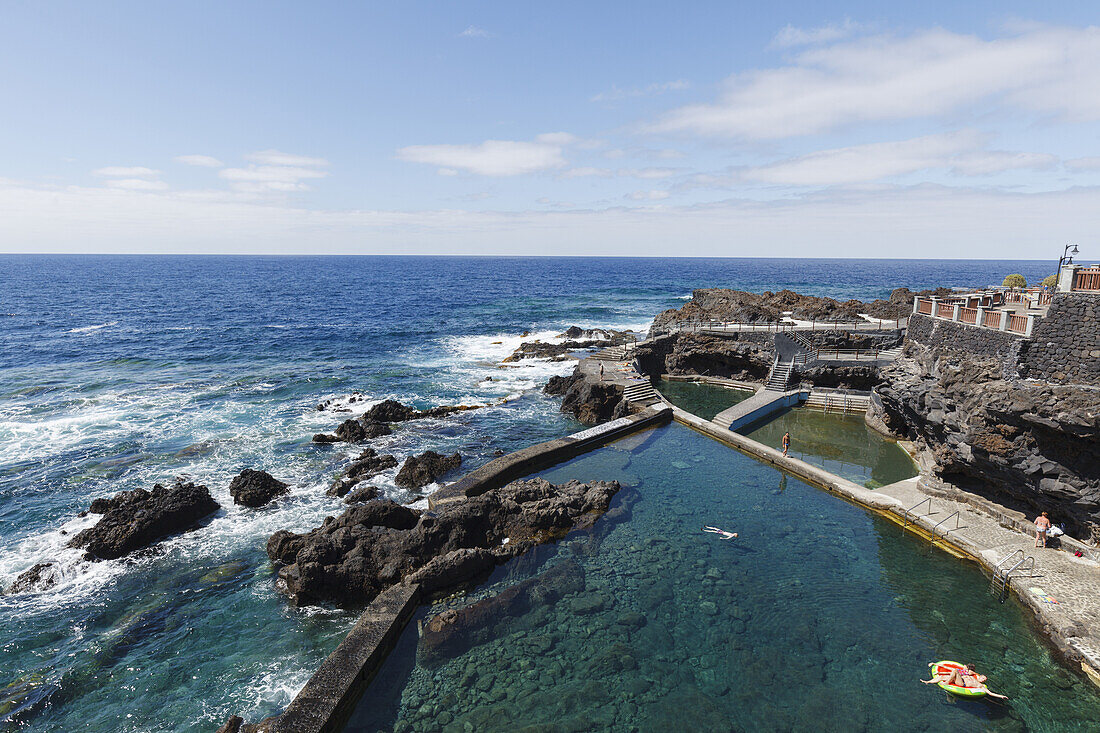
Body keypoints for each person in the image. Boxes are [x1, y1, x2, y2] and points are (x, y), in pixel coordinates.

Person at [923, 663, 1008, 700]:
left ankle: (946, 683)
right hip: (960, 679)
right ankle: (928, 682)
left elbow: (990, 693)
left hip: (962, 683)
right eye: (982, 677)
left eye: (984, 680)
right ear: (979, 676)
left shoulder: (981, 686)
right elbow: (966, 671)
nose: (983, 679)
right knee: (943, 676)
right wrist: (941, 672)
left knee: (955, 671)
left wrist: (1001, 696)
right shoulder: (972, 675)